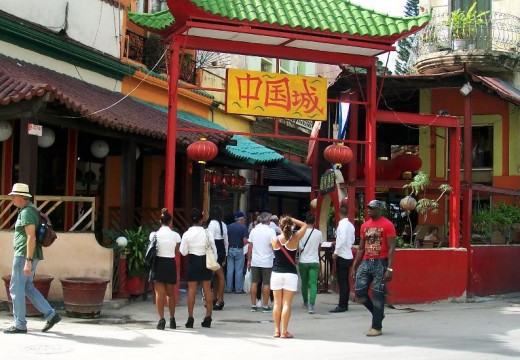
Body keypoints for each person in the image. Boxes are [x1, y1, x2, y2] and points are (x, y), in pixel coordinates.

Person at [3, 183, 61, 334]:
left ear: (22, 197)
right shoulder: (31, 209)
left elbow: (31, 237)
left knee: (16, 288)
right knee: (27, 286)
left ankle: (20, 324)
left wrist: (27, 262)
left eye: (14, 196)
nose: (12, 199)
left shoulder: (27, 212)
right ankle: (51, 314)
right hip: (30, 255)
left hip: (24, 255)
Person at [352, 200, 396, 337]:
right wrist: (354, 266)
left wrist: (389, 269)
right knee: (359, 291)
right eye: (368, 208)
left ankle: (376, 326)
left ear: (379, 209)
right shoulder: (364, 226)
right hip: (366, 261)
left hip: (380, 262)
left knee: (378, 294)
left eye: (372, 208)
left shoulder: (387, 225)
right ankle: (378, 314)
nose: (369, 210)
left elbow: (392, 248)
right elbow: (360, 248)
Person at [271, 215, 307, 338]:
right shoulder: (295, 238)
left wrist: (286, 221)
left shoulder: (274, 240)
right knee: (287, 304)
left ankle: (276, 330)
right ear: (291, 226)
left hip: (276, 273)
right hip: (290, 274)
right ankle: (284, 331)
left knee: (277, 303)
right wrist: (292, 219)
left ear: (279, 226)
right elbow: (305, 225)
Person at [180, 208, 217, 328]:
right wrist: (214, 262)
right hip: (205, 261)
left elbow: (183, 252)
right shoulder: (207, 233)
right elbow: (214, 250)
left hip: (193, 261)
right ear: (201, 220)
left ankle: (190, 318)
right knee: (207, 290)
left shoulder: (187, 234)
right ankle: (208, 317)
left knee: (191, 291)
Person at [149, 208, 181, 330]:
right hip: (169, 263)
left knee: (159, 294)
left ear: (160, 221)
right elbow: (176, 251)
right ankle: (172, 318)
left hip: (158, 263)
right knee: (170, 294)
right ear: (170, 222)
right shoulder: (176, 235)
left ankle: (161, 320)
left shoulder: (154, 235)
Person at [247, 212, 276, 312]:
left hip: (255, 260)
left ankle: (253, 305)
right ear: (268, 220)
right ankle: (265, 305)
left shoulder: (254, 231)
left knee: (254, 282)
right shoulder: (271, 231)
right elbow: (273, 246)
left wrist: (249, 260)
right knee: (267, 283)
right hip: (267, 261)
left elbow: (250, 246)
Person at [330, 206, 355, 313]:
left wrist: (336, 251)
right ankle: (345, 304)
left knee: (342, 282)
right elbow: (352, 239)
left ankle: (341, 305)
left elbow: (341, 238)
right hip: (349, 254)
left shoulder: (342, 225)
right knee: (345, 281)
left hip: (342, 255)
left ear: (339, 213)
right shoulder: (350, 225)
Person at [298, 214, 322, 314]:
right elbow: (319, 247)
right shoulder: (319, 233)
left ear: (305, 222)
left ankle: (305, 302)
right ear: (314, 222)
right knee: (313, 284)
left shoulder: (300, 233)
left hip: (303, 261)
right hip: (314, 261)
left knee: (304, 283)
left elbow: (298, 247)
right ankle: (311, 306)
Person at [206, 206, 228, 310]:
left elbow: (210, 240)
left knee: (213, 275)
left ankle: (215, 299)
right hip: (222, 249)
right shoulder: (223, 225)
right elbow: (226, 242)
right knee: (219, 276)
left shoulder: (212, 224)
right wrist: (225, 256)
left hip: (214, 249)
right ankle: (218, 298)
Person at [225, 211, 248, 294]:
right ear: (241, 219)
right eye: (244, 219)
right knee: (239, 270)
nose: (245, 220)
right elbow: (245, 241)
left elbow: (226, 239)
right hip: (239, 250)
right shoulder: (243, 228)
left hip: (230, 249)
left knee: (230, 270)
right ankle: (238, 289)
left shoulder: (228, 227)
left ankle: (228, 288)